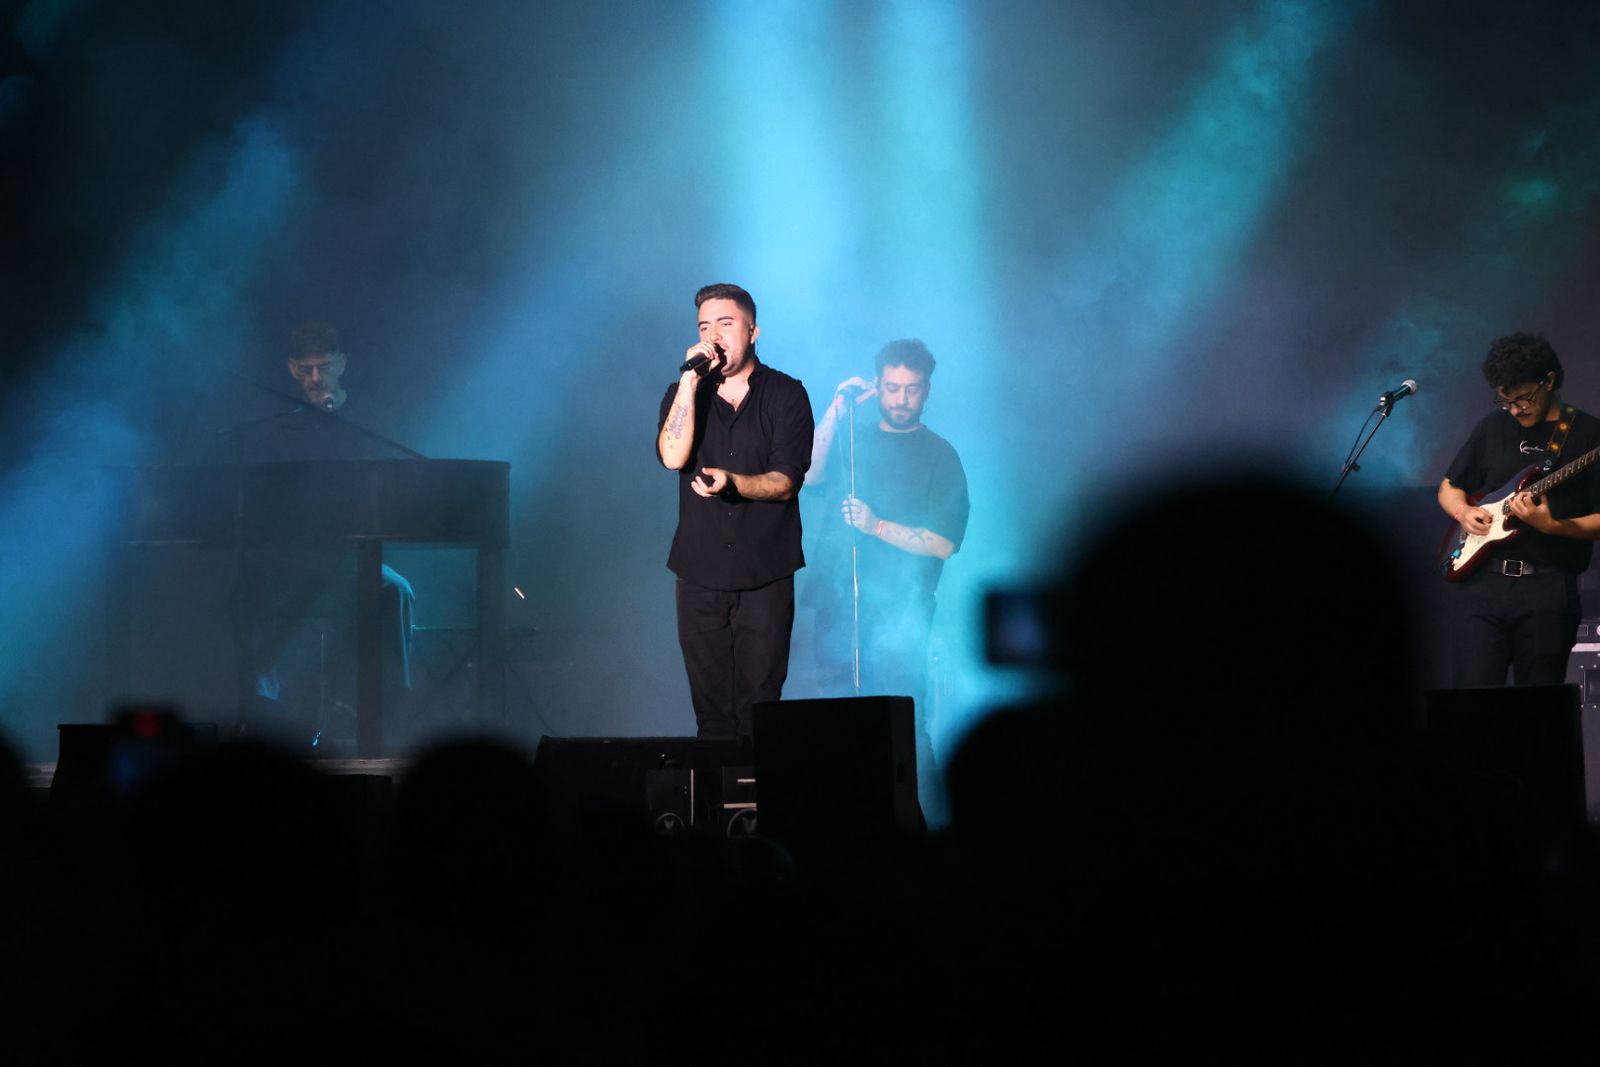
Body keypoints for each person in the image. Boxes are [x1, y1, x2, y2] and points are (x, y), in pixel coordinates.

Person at [227, 321, 416, 748]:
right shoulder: (278, 429)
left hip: (350, 563)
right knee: (245, 592)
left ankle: (383, 710)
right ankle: (261, 711)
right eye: (306, 370)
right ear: (293, 370)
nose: (315, 379)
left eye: (324, 368)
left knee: (396, 589)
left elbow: (393, 483)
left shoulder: (370, 421)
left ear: (341, 365)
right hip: (294, 563)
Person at [805, 339, 969, 778]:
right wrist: (838, 408)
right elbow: (809, 474)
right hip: (838, 603)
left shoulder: (941, 455)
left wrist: (877, 525)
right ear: (877, 386)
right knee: (836, 719)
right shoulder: (852, 442)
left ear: (927, 390)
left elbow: (944, 543)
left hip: (902, 611)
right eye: (892, 387)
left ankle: (923, 828)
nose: (901, 398)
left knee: (903, 725)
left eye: (912, 388)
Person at [656, 284, 814, 738]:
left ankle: (758, 808)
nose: (715, 335)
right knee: (711, 717)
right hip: (699, 573)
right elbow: (672, 456)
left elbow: (785, 481)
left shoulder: (786, 394)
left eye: (726, 324)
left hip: (764, 571)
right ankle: (715, 809)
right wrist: (690, 380)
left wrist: (732, 483)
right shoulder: (684, 393)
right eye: (705, 326)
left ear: (753, 331)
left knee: (759, 713)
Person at [1438, 332, 1600, 686]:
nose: (1515, 409)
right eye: (1505, 401)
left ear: (1549, 381)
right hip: (1481, 586)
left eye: (1523, 399)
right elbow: (1451, 487)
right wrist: (1463, 514)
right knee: (1470, 703)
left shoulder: (1589, 434)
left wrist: (1555, 526)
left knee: (1538, 714)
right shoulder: (1493, 427)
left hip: (1548, 588)